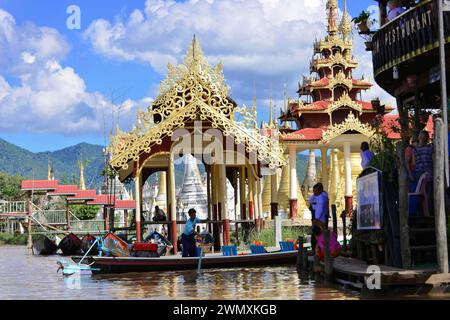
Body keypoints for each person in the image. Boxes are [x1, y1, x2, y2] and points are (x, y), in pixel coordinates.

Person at [414, 130, 434, 214]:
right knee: (429, 194)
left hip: (418, 173)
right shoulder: (430, 148)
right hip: (429, 172)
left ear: (419, 137)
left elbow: (414, 162)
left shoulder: (415, 149)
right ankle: (430, 213)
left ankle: (420, 213)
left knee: (419, 193)